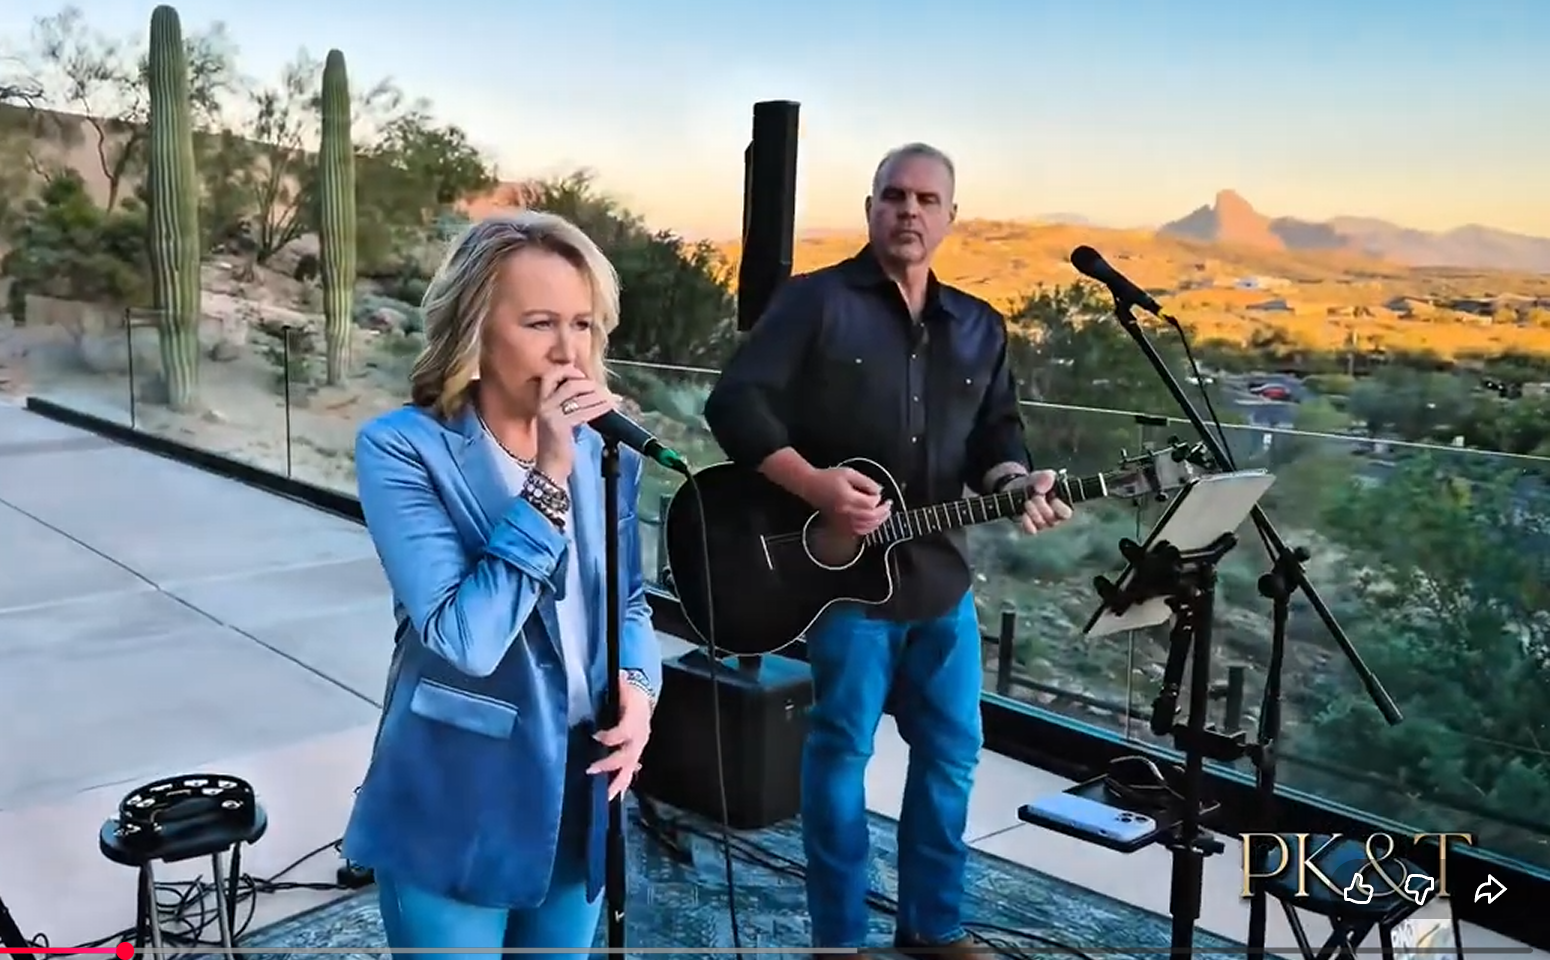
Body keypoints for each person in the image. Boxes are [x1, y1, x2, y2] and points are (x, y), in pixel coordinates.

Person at [703, 143, 1073, 957]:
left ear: (950, 217)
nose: (909, 210)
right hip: (842, 586)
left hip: (942, 583)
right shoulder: (814, 302)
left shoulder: (980, 326)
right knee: (841, 755)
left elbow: (998, 437)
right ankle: (838, 939)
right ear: (871, 207)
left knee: (952, 757)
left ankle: (932, 927)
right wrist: (816, 486)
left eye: (926, 200)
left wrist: (1017, 480)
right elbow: (734, 405)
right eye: (894, 196)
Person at [343, 211, 663, 960]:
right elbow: (466, 638)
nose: (568, 351)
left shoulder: (608, 453)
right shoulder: (404, 449)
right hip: (458, 795)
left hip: (582, 784)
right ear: (475, 329)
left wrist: (640, 689)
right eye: (540, 323)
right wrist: (548, 476)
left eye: (582, 324)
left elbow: (628, 602)